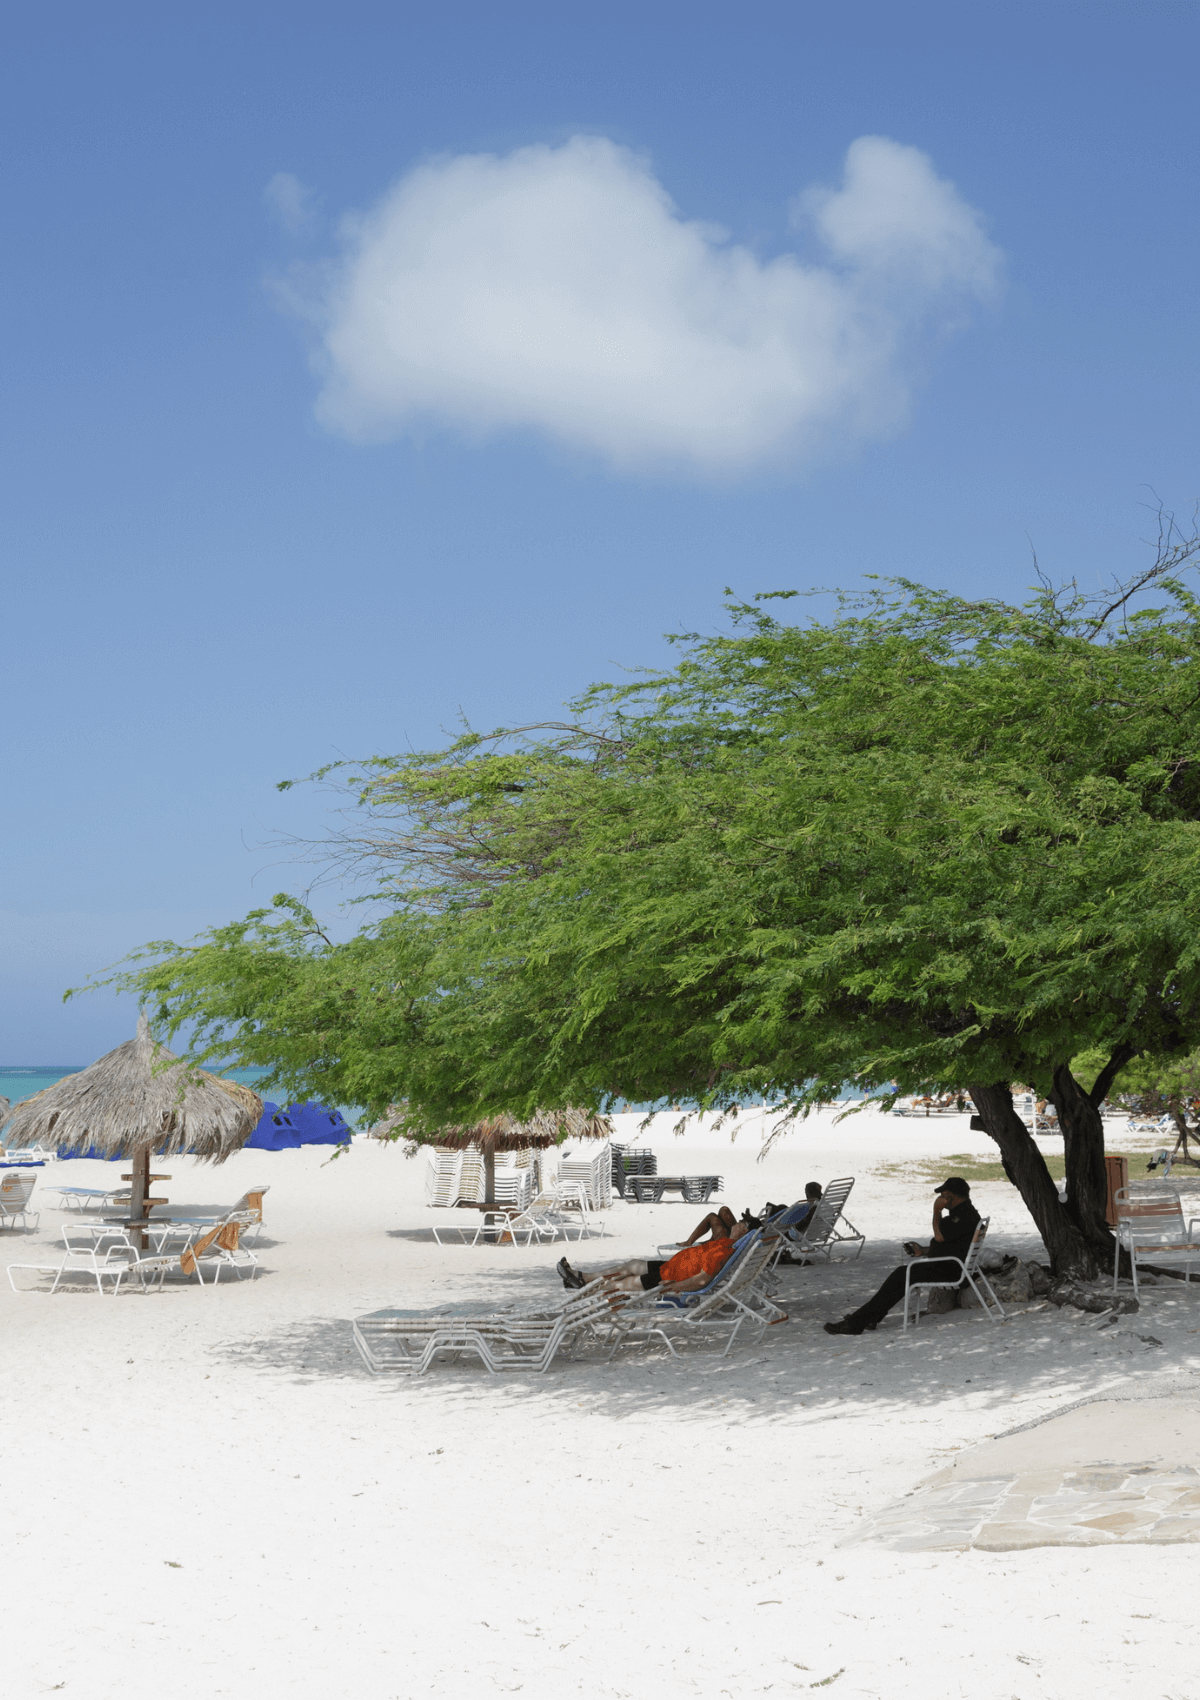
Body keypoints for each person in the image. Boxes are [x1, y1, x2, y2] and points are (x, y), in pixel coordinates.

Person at [823, 1178, 981, 1335]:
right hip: (950, 1266)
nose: (940, 1199)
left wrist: (936, 1211)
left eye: (944, 1195)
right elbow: (952, 1245)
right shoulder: (966, 1213)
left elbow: (939, 1237)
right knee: (902, 1274)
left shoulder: (962, 1216)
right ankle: (870, 1317)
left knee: (902, 1275)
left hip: (951, 1270)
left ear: (953, 1196)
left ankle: (856, 1323)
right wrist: (923, 1251)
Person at [557, 1218, 751, 1296]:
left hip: (670, 1278)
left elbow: (702, 1280)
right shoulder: (725, 1242)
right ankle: (583, 1277)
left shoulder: (725, 1252)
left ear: (743, 1230)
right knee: (632, 1265)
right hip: (670, 1267)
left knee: (623, 1283)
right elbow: (714, 1217)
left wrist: (675, 1287)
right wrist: (689, 1242)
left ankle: (584, 1289)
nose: (737, 1222)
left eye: (742, 1223)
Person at [671, 1204, 737, 1248]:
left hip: (730, 1242)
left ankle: (689, 1242)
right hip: (737, 1235)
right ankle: (712, 1239)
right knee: (723, 1210)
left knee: (712, 1216)